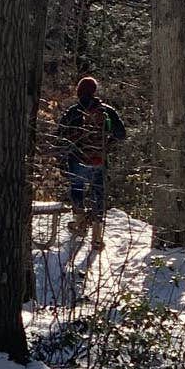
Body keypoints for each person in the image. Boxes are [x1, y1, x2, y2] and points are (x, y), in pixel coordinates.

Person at [55, 75, 127, 250]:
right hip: (98, 160)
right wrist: (106, 144)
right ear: (94, 91)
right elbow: (121, 134)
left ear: (79, 91)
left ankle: (79, 225)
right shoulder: (107, 111)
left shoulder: (73, 111)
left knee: (77, 190)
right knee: (98, 194)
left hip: (77, 160)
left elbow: (60, 136)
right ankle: (97, 237)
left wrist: (66, 154)